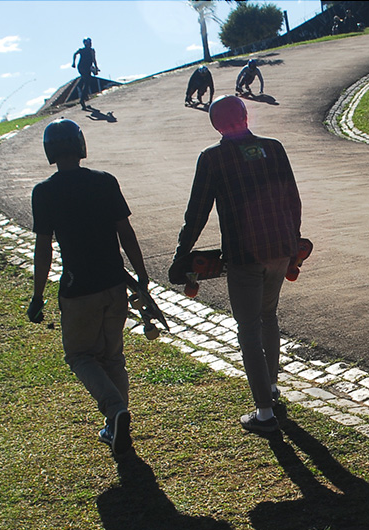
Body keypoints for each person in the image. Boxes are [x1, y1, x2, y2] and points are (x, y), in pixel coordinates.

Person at [169, 95, 302, 434]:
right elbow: (293, 199)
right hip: (280, 249)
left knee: (248, 328)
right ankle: (272, 387)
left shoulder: (212, 158)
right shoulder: (273, 148)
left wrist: (182, 253)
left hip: (244, 255)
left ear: (216, 125)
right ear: (246, 116)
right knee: (268, 316)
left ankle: (264, 412)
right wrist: (294, 243)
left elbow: (197, 212)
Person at [28, 119, 150, 456]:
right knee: (113, 357)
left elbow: (43, 249)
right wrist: (141, 275)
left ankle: (115, 411)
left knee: (80, 355)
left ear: (50, 151)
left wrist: (37, 296)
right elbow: (126, 233)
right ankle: (116, 426)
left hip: (78, 288)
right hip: (114, 284)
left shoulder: (44, 192)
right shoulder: (104, 181)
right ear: (81, 146)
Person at [72, 38, 99, 110]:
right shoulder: (87, 50)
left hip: (84, 67)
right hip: (83, 67)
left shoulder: (87, 50)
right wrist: (73, 63)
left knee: (86, 81)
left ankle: (84, 95)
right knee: (87, 82)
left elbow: (93, 59)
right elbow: (93, 59)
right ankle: (82, 99)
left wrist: (96, 67)